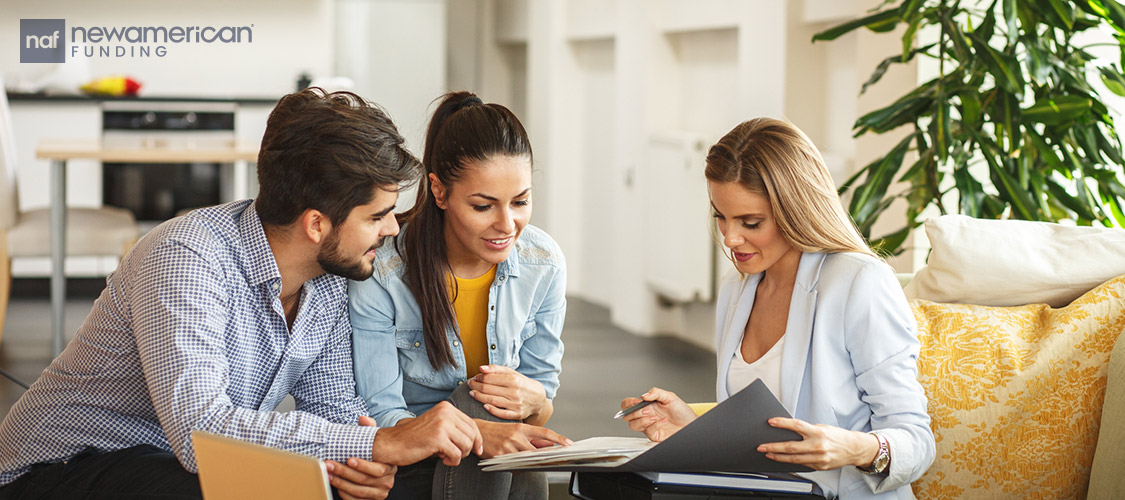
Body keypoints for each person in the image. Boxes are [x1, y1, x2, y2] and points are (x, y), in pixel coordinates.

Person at [0, 88, 484, 500]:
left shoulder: (335, 278)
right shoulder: (186, 258)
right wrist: (378, 445)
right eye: (377, 215)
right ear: (316, 223)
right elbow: (201, 433)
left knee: (331, 482)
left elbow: (333, 411)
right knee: (246, 486)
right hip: (55, 471)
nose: (392, 228)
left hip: (168, 465)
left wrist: (362, 460)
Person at [621, 118, 935, 499]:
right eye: (721, 216)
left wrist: (854, 448)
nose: (730, 238)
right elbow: (759, 435)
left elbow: (917, 442)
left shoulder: (859, 282)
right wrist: (692, 429)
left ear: (795, 209)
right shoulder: (737, 289)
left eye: (750, 222)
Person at [349, 91, 569, 500]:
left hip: (496, 466)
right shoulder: (383, 270)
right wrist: (481, 432)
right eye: (484, 206)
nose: (508, 224)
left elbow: (541, 408)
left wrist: (535, 399)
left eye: (520, 201)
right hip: (411, 464)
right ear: (439, 191)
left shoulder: (544, 263)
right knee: (474, 401)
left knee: (513, 433)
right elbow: (380, 414)